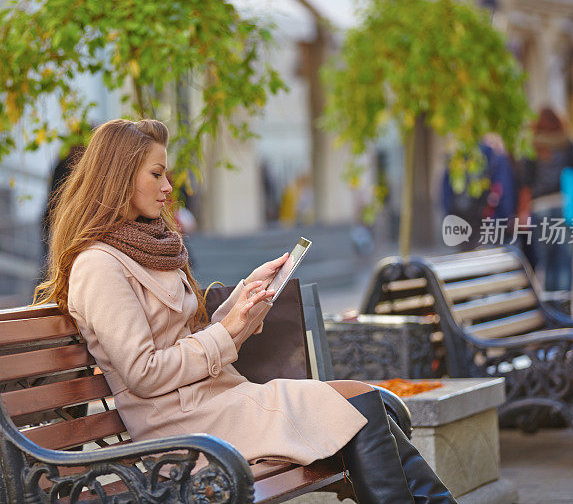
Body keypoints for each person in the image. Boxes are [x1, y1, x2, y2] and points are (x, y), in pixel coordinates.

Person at [34, 119, 454, 503]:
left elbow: (189, 339)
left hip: (217, 400)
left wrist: (241, 306)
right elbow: (143, 373)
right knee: (360, 403)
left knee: (367, 401)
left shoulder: (148, 245)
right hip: (180, 425)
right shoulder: (99, 265)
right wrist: (226, 331)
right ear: (120, 177)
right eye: (156, 174)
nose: (168, 187)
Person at [518, 107, 573, 292]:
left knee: (547, 262)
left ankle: (551, 307)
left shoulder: (533, 146)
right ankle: (564, 305)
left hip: (540, 208)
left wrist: (523, 212)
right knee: (565, 260)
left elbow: (526, 183)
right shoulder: (567, 143)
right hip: (565, 206)